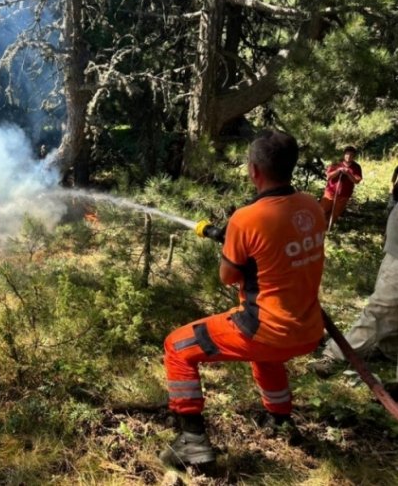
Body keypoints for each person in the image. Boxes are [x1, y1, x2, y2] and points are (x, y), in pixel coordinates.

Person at [160, 130, 327, 467]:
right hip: (308, 330)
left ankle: (192, 440)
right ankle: (280, 420)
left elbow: (229, 276)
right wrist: (237, 239)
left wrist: (232, 240)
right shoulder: (311, 206)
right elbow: (277, 251)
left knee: (177, 346)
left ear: (254, 170)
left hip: (266, 331)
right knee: (265, 356)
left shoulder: (246, 219)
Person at [309, 205, 398, 378]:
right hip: (395, 248)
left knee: (381, 308)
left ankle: (335, 355)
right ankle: (390, 348)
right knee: (389, 305)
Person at [319, 146, 362, 227]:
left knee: (335, 213)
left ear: (354, 156)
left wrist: (348, 173)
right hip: (330, 192)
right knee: (322, 210)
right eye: (347, 154)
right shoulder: (336, 164)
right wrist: (338, 171)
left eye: (351, 155)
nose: (348, 156)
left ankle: (326, 229)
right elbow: (328, 176)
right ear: (344, 154)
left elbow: (356, 181)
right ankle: (316, 226)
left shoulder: (356, 167)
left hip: (344, 195)